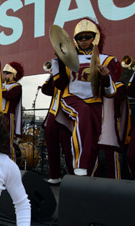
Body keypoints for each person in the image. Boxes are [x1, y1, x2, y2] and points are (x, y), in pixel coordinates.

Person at [53, 18, 118, 176]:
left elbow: (111, 92)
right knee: (83, 113)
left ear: (94, 37)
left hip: (95, 100)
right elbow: (60, 84)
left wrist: (105, 77)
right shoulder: (67, 60)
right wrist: (58, 63)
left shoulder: (107, 60)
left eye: (87, 36)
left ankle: (90, 176)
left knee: (94, 139)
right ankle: (80, 165)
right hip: (72, 97)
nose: (83, 40)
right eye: (79, 38)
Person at [41, 74, 74, 184]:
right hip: (53, 112)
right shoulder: (55, 76)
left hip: (66, 112)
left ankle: (72, 175)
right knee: (51, 145)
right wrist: (52, 74)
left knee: (68, 147)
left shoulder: (69, 74)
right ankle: (55, 175)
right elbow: (45, 90)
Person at [2, 62, 24, 162]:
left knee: (8, 142)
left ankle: (13, 164)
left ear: (14, 74)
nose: (5, 75)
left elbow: (10, 96)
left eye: (7, 73)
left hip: (9, 116)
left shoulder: (17, 86)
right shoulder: (2, 86)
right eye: (4, 73)